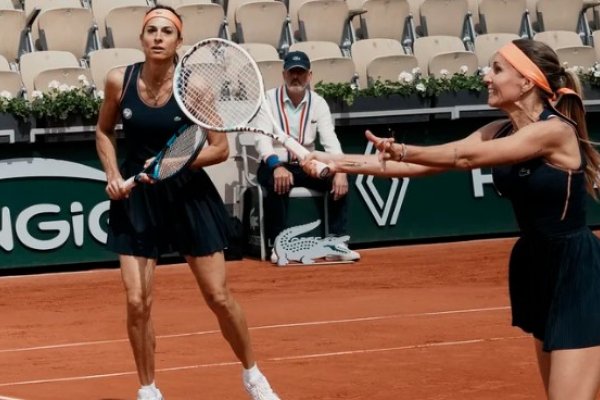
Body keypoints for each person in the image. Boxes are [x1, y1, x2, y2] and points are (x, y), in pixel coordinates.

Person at [302, 38, 600, 399]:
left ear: (526, 82)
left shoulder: (555, 131)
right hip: (537, 268)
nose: (486, 77)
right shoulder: (500, 130)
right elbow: (411, 167)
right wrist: (333, 159)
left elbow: (463, 158)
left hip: (576, 274)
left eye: (497, 69)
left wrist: (402, 147)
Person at [95, 6, 280, 400]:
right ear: (142, 38)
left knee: (217, 296)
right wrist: (113, 173)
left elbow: (219, 148)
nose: (158, 37)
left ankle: (253, 375)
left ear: (179, 42)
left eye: (166, 32)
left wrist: (173, 163)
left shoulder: (194, 87)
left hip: (187, 194)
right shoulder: (119, 81)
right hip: (139, 199)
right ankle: (148, 390)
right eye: (151, 31)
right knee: (136, 300)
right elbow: (104, 131)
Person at [254, 50, 359, 263]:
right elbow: (262, 140)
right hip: (275, 162)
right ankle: (279, 245)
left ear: (309, 75)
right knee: (278, 180)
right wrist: (276, 166)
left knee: (341, 178)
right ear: (284, 74)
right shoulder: (268, 100)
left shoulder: (318, 103)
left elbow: (330, 140)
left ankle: (337, 244)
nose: (296, 77)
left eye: (300, 73)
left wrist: (340, 171)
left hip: (307, 165)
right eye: (292, 72)